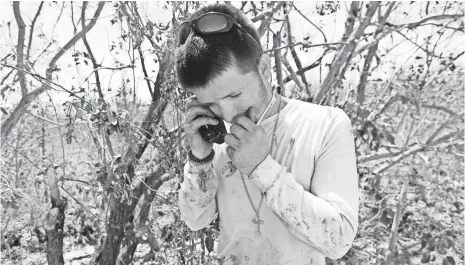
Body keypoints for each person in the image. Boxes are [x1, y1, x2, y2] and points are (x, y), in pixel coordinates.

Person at [176, 3, 359, 265]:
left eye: (235, 94)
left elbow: (339, 240)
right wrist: (200, 158)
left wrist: (262, 168)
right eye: (212, 104)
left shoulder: (325, 124)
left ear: (263, 69)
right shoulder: (214, 134)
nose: (227, 114)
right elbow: (195, 220)